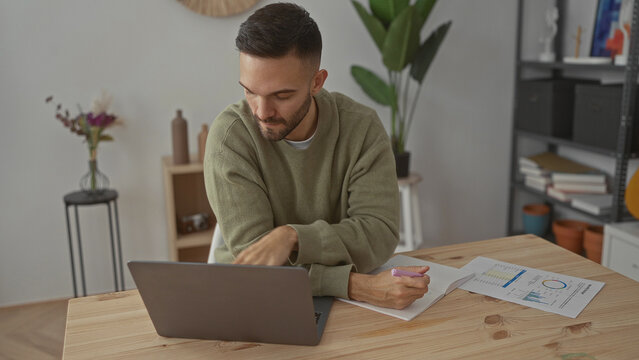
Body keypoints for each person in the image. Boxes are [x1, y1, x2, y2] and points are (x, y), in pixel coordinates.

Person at [203, 2, 429, 310]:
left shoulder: (361, 128)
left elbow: (379, 233)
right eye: (250, 91)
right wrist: (354, 285)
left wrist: (292, 237)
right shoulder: (230, 138)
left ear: (317, 82)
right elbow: (258, 266)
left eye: (281, 95)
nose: (262, 111)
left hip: (345, 306)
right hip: (254, 299)